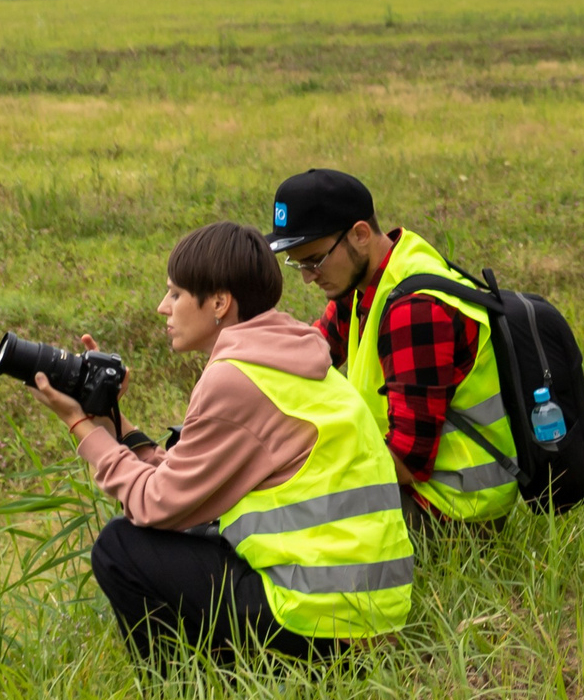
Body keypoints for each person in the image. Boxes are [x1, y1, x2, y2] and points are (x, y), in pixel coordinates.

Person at [30, 221, 412, 662]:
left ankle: (182, 694)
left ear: (218, 302)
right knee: (190, 534)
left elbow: (155, 507)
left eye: (175, 294)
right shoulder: (291, 355)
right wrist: (119, 427)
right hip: (371, 615)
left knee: (120, 546)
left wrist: (82, 429)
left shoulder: (234, 379)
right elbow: (188, 487)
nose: (162, 308)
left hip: (321, 625)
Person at [267, 168, 519, 526]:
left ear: (360, 234)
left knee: (278, 511)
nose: (308, 276)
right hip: (417, 487)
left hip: (453, 510)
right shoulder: (365, 281)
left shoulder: (413, 312)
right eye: (298, 263)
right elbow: (304, 360)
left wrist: (295, 467)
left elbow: (407, 462)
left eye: (315, 260)